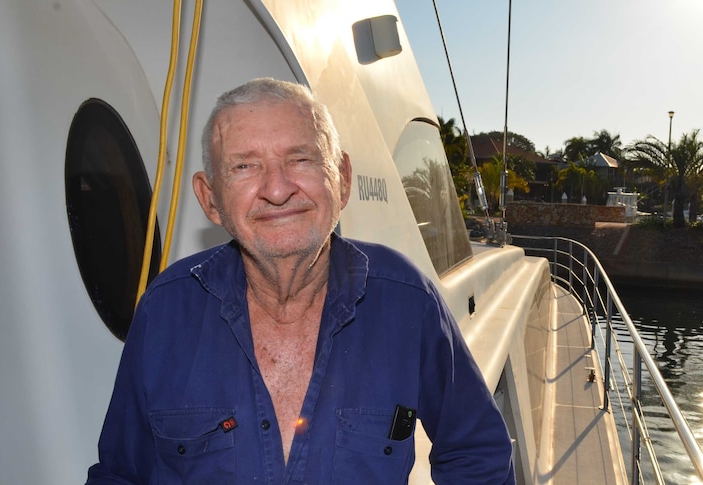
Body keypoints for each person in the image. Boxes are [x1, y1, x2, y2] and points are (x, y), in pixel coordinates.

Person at [87, 78, 515, 484]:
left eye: (300, 159)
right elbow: (121, 474)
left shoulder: (408, 301)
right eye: (244, 166)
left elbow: (476, 455)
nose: (276, 189)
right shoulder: (164, 311)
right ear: (211, 199)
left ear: (342, 180)